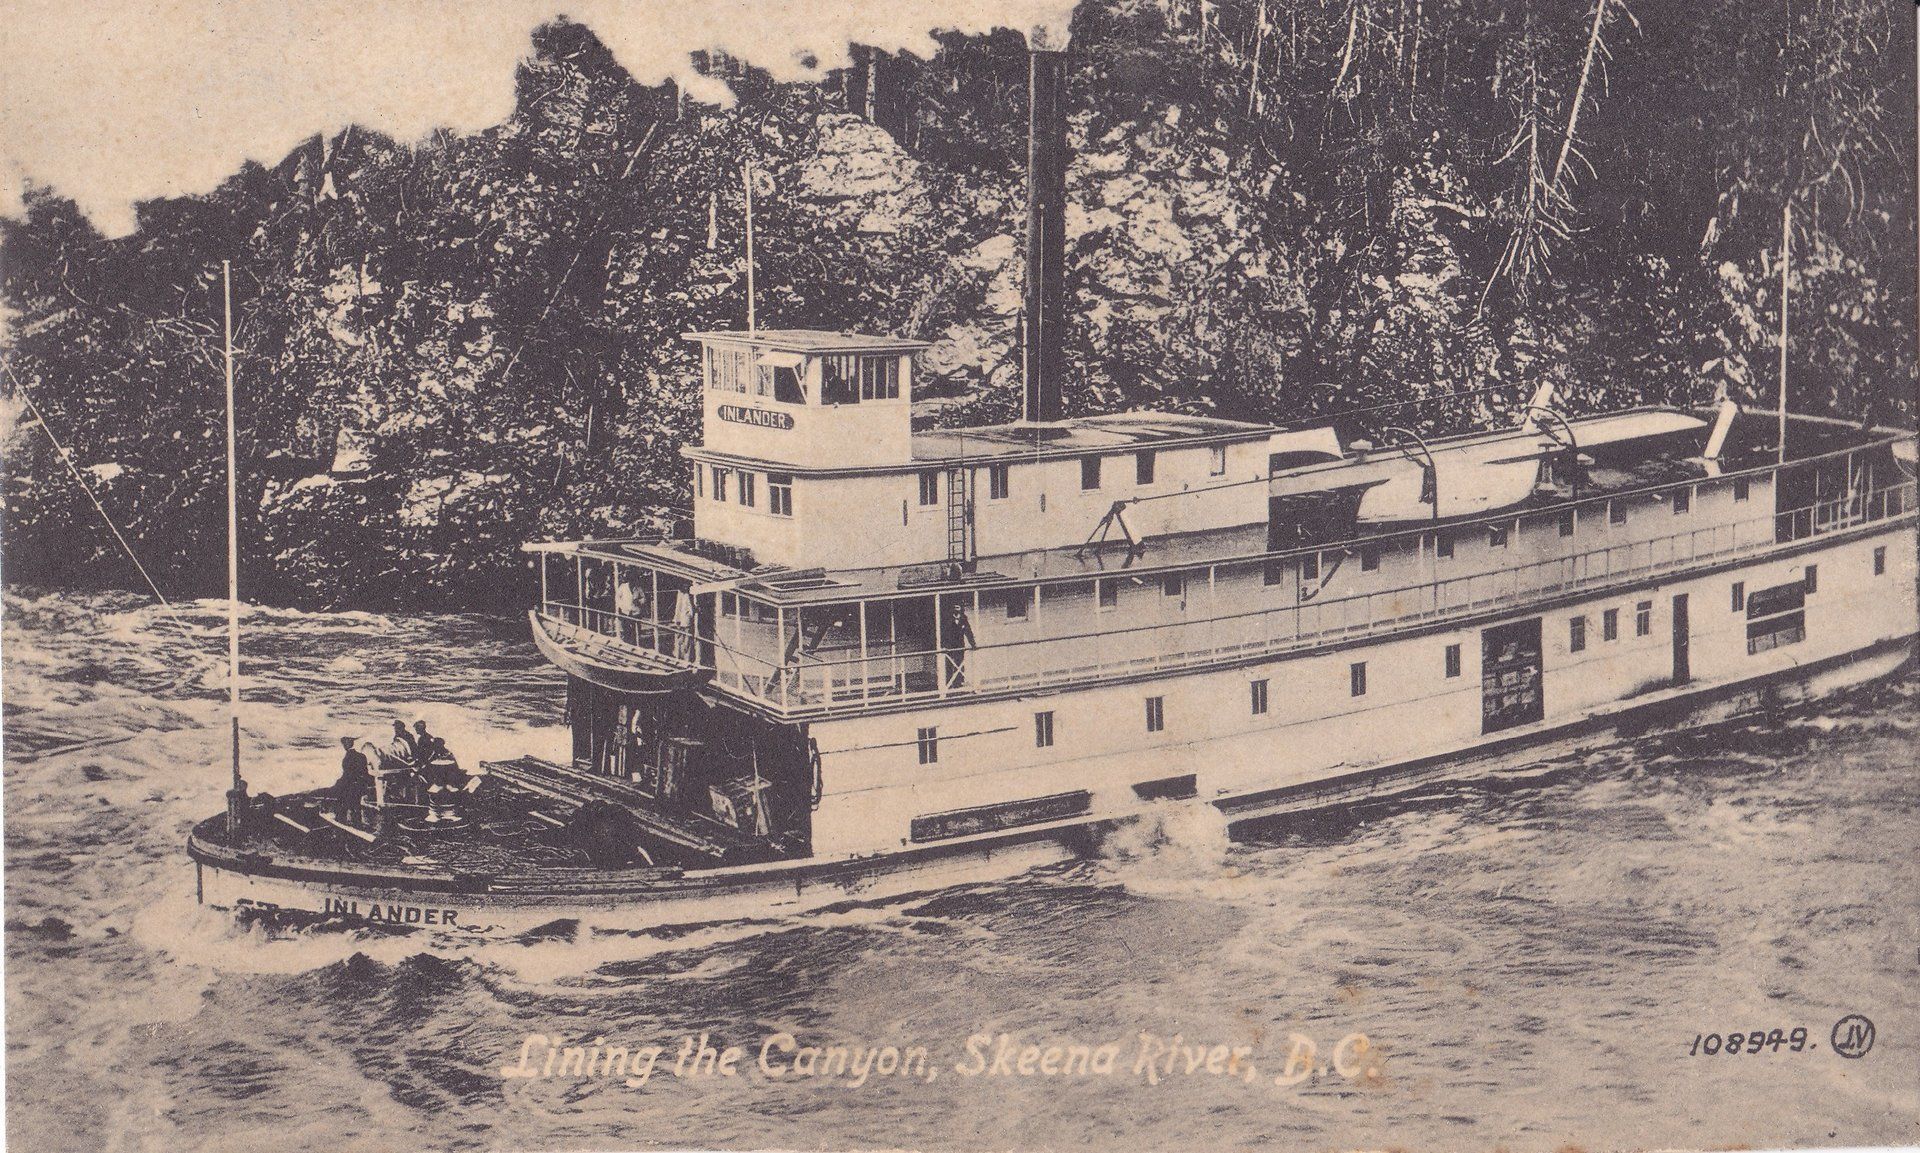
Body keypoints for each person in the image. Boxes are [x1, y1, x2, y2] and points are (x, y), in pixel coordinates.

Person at [327, 736, 372, 816]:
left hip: (351, 787)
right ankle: (357, 822)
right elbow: (365, 773)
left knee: (341, 801)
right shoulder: (362, 756)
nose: (344, 746)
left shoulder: (348, 758)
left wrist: (337, 784)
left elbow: (347, 775)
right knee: (356, 805)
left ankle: (341, 820)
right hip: (361, 786)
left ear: (346, 745)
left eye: (344, 744)